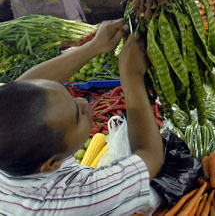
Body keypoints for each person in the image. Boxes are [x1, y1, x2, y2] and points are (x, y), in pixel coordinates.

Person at [0, 20, 163, 215]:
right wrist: (131, 75)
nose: (83, 103)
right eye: (77, 117)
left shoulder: (11, 147)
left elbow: (24, 89)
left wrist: (93, 47)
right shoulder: (74, 199)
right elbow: (149, 155)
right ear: (51, 164)